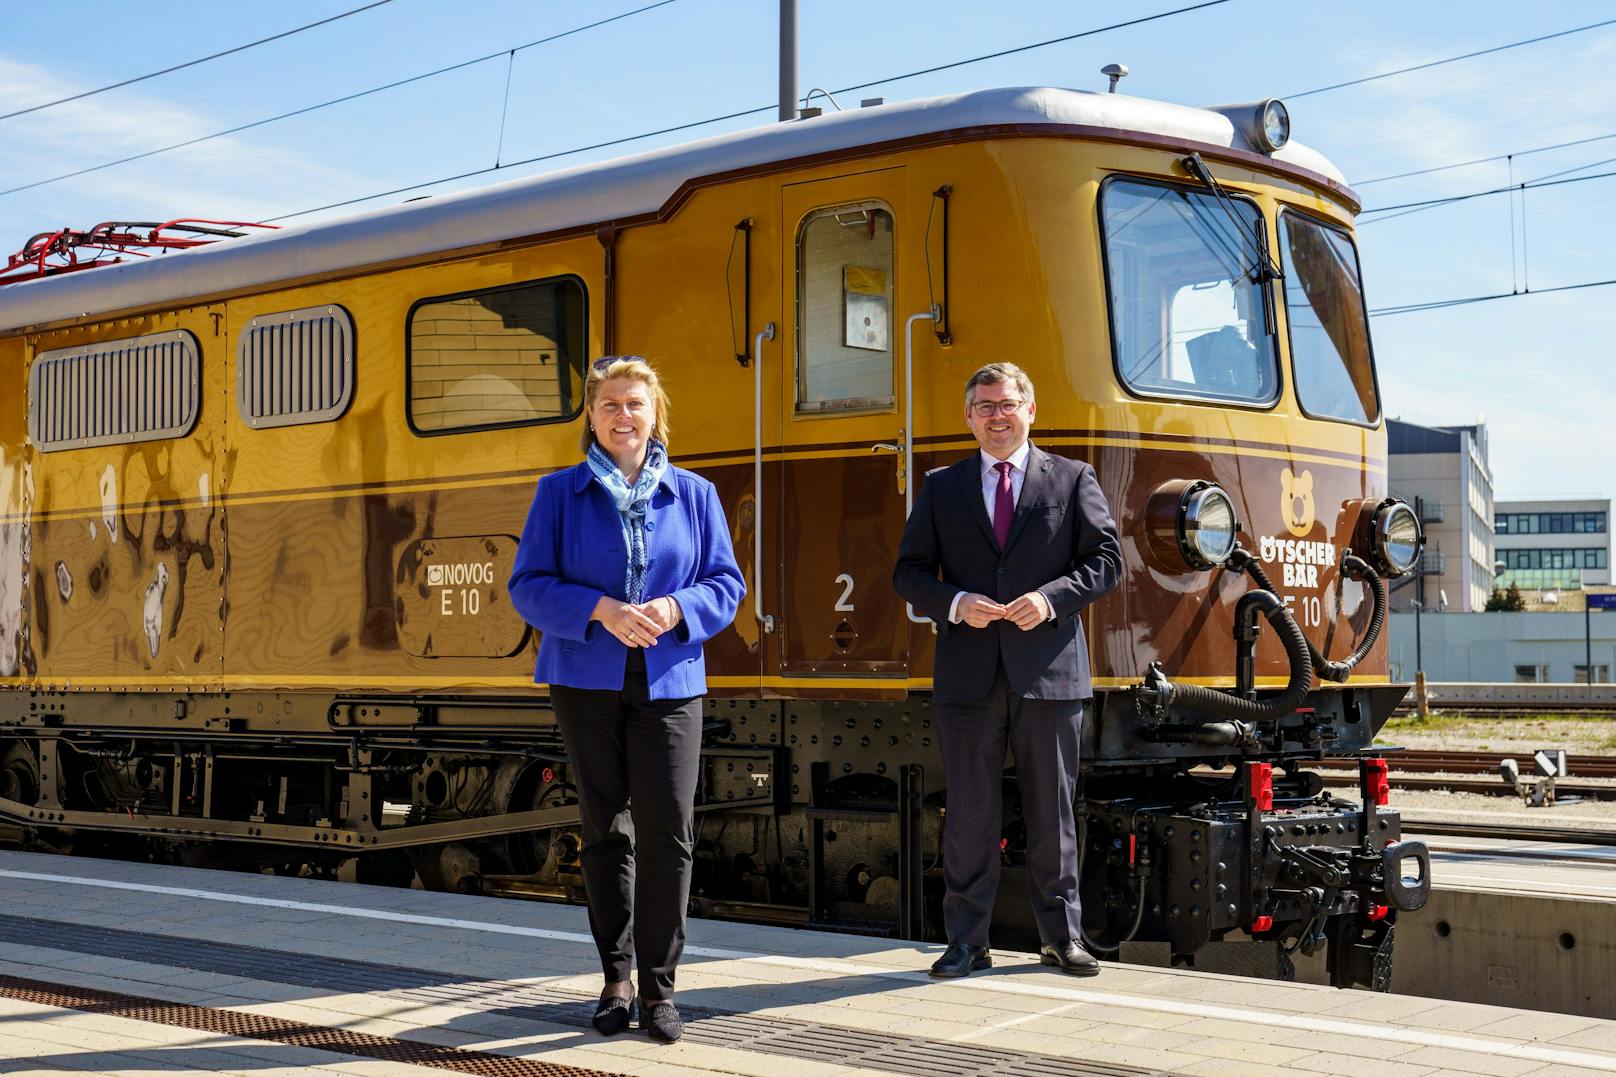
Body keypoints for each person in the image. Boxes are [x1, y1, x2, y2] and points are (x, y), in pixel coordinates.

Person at [508, 356, 744, 1042]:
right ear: (591, 414)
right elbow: (528, 585)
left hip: (670, 679)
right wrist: (601, 608)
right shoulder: (559, 492)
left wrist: (675, 607)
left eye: (635, 404)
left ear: (655, 411)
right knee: (606, 826)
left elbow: (726, 583)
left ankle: (660, 988)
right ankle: (615, 978)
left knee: (670, 831)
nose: (623, 416)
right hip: (586, 677)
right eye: (610, 404)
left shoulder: (696, 494)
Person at [893, 362, 1122, 978]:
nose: (998, 415)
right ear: (969, 417)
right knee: (969, 814)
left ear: (1030, 409)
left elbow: (1106, 561)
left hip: (1048, 672)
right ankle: (967, 942)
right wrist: (955, 603)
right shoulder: (942, 487)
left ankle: (1062, 939)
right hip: (967, 675)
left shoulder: (1073, 478)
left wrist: (1051, 600)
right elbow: (908, 573)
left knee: (1054, 811)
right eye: (985, 405)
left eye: (1008, 403)